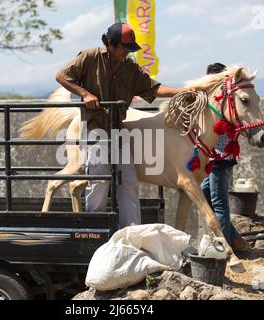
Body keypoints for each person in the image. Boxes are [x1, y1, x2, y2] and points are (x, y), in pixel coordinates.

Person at [56, 23, 184, 228]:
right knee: (99, 181)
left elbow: (153, 88)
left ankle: (131, 235)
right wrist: (85, 94)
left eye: (129, 49)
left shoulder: (129, 68)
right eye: (124, 48)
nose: (126, 53)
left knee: (128, 182)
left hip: (118, 130)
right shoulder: (90, 57)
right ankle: (94, 232)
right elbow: (62, 76)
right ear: (109, 44)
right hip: (95, 128)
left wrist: (181, 91)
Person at [201, 63, 251, 253]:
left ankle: (224, 247)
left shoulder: (222, 102)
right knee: (205, 197)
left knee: (219, 204)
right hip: (216, 159)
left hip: (219, 159)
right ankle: (236, 240)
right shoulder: (220, 100)